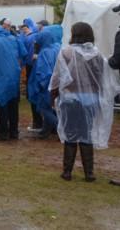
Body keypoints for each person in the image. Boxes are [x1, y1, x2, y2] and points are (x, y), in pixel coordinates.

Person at [50, 22, 119, 182]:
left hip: (70, 98)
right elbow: (102, 78)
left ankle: (67, 172)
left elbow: (57, 77)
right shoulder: (98, 55)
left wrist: (52, 95)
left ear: (74, 34)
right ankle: (89, 173)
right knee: (86, 134)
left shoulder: (66, 53)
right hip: (90, 99)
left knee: (70, 134)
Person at [28, 25, 62, 140]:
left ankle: (61, 130)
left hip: (47, 85)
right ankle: (45, 131)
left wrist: (39, 86)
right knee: (52, 108)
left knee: (44, 108)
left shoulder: (44, 53)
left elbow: (43, 73)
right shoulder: (57, 48)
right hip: (58, 84)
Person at [22, 18, 43, 132]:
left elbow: (26, 55)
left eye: (25, 26)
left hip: (32, 68)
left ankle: (37, 123)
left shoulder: (29, 38)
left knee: (33, 94)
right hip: (41, 69)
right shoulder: (41, 37)